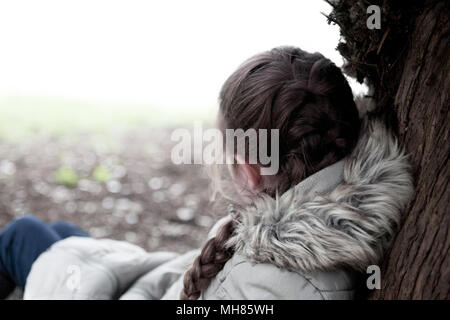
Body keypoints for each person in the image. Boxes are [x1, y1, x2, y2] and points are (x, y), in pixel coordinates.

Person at [0, 47, 413, 300]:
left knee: (23, 233)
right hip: (166, 281)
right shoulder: (333, 207)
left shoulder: (276, 282)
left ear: (250, 171)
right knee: (63, 233)